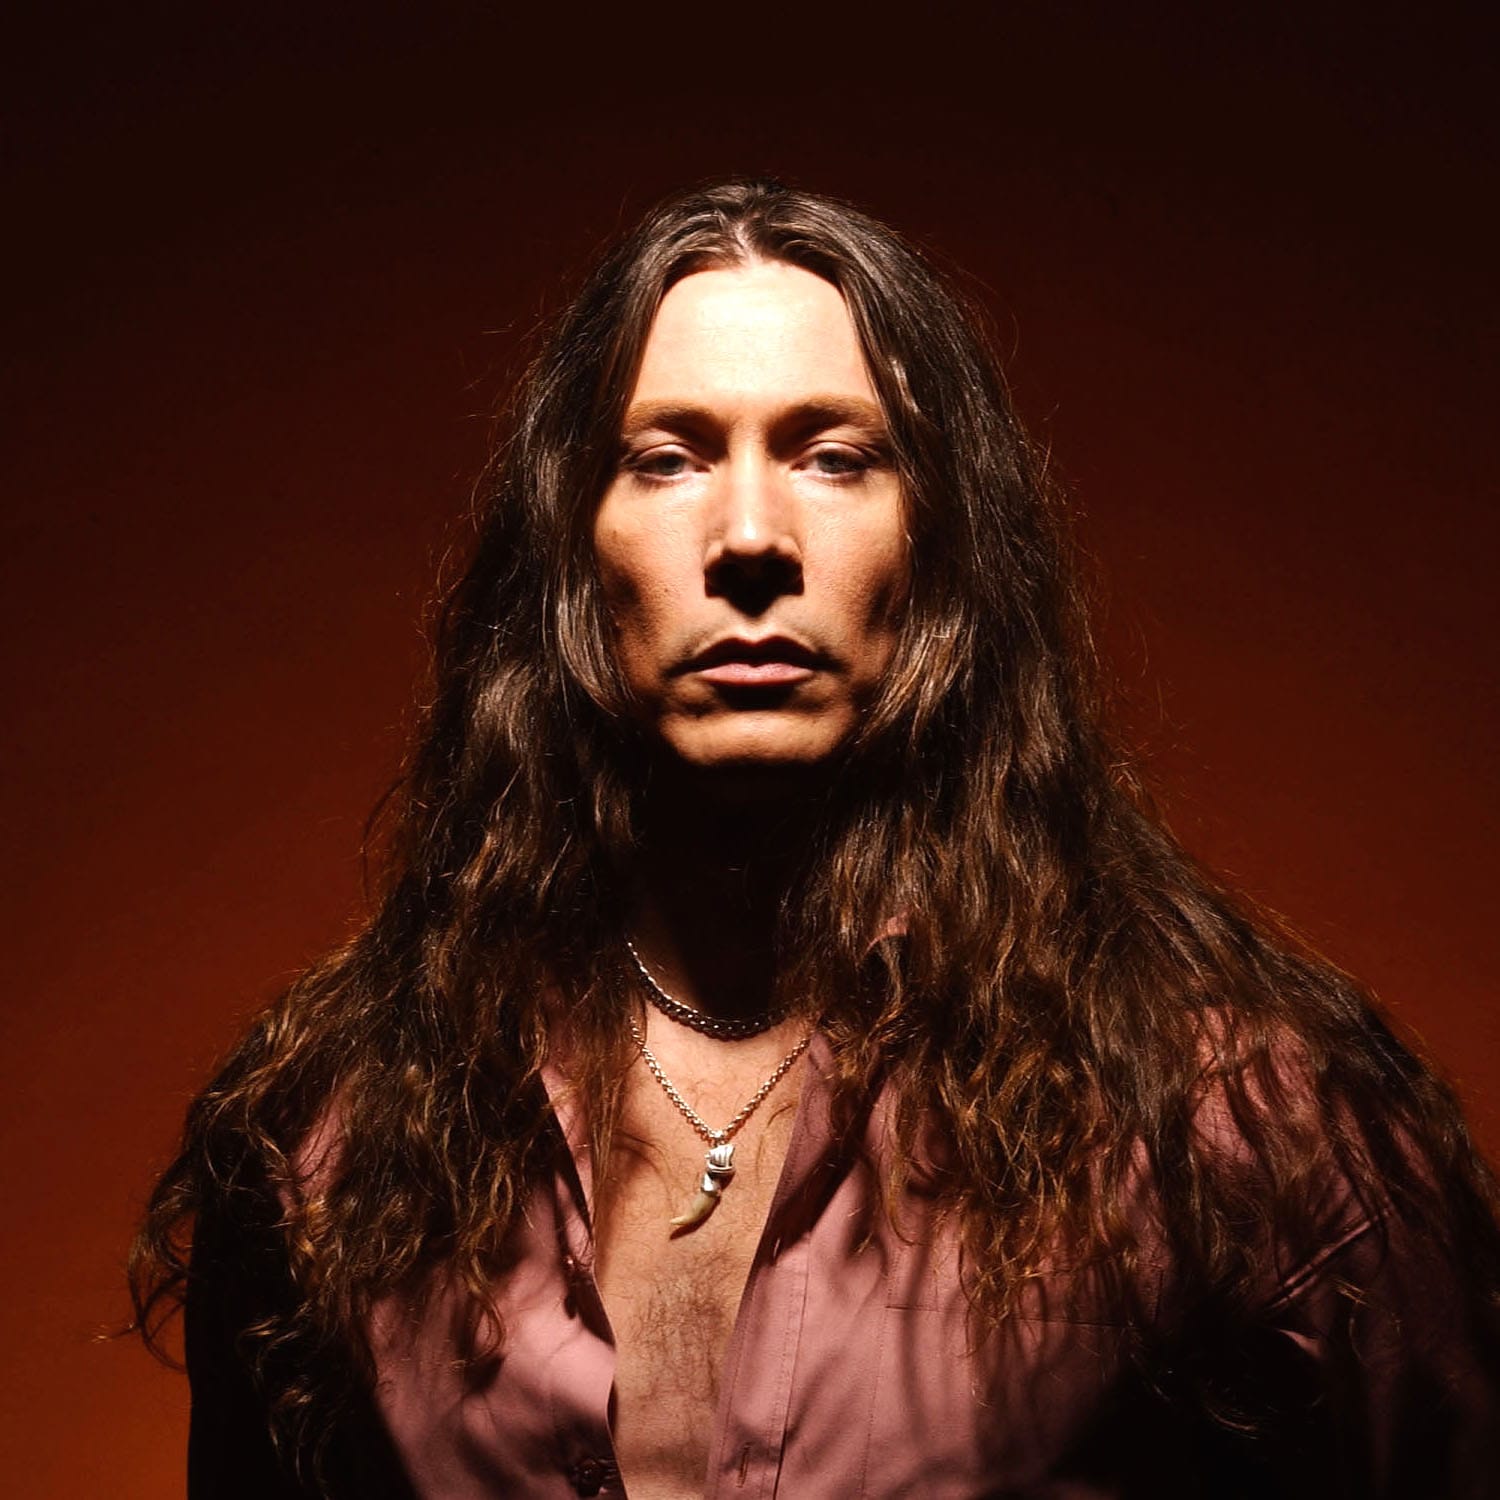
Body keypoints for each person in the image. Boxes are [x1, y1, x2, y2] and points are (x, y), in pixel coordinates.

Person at [130, 178, 1500, 1499]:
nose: (748, 538)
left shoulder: (1240, 1124)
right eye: (667, 459)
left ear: (940, 546)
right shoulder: (334, 1139)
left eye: (835, 458)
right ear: (570, 552)